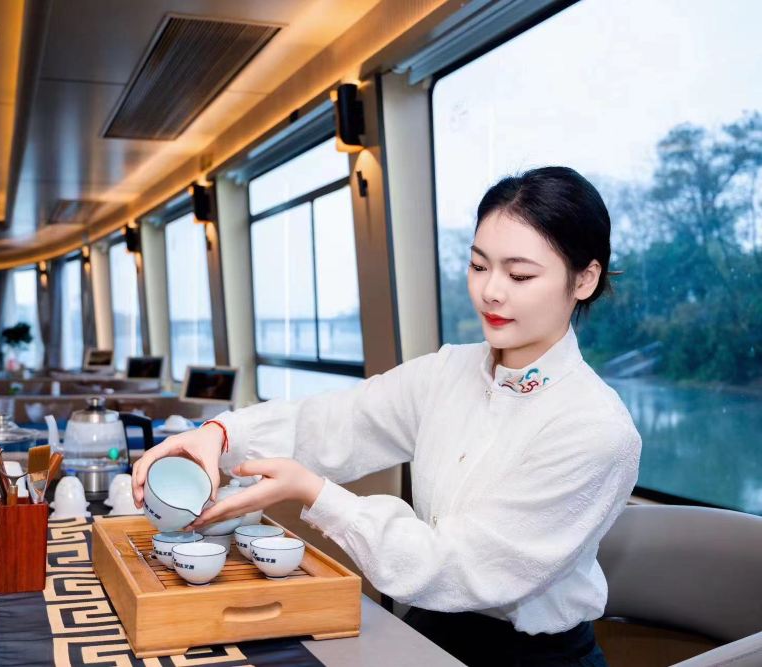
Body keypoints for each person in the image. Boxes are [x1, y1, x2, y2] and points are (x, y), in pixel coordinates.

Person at [132, 166, 641, 666]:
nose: (491, 291)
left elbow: (461, 567)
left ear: (584, 279)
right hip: (430, 624)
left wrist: (317, 494)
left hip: (534, 656)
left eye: (520, 275)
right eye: (479, 266)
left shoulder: (595, 429)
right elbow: (339, 421)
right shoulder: (448, 371)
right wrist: (219, 434)